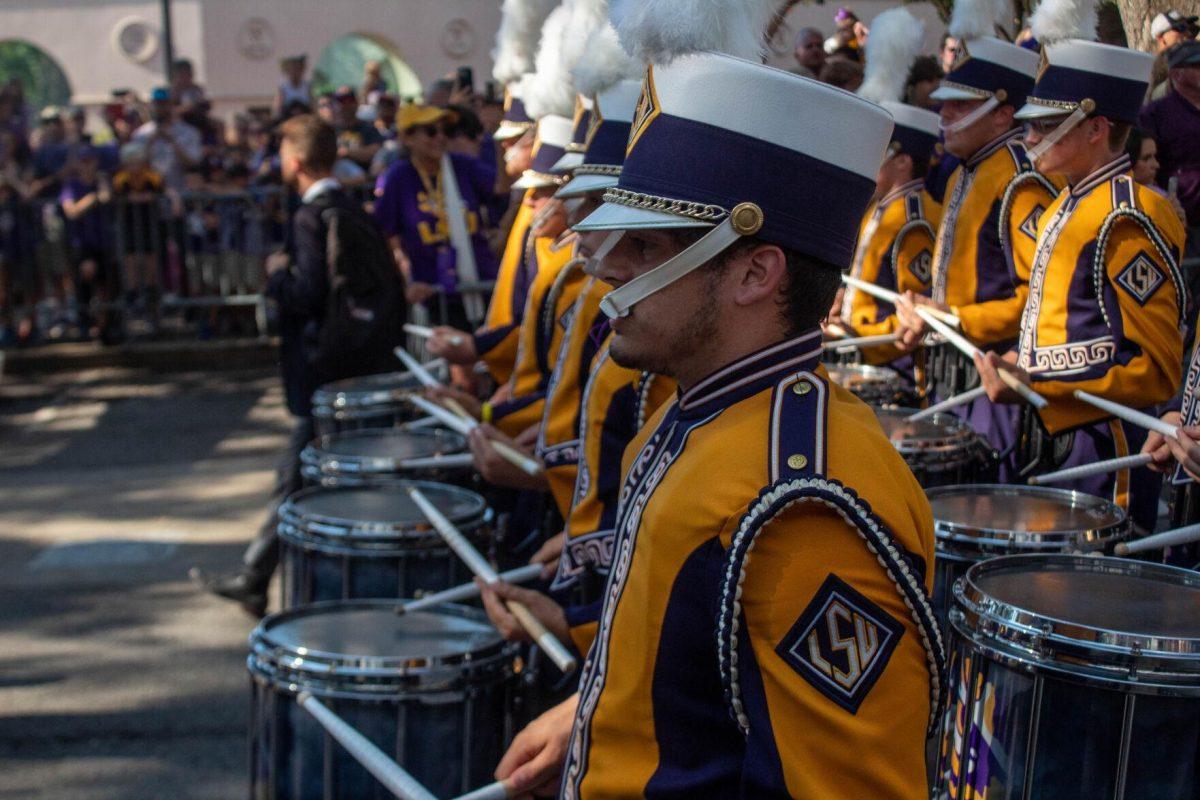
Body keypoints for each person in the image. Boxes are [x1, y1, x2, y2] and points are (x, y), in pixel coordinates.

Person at [494, 38, 942, 800]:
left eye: (646, 247)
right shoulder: (699, 415)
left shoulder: (802, 505)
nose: (607, 267)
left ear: (754, 272)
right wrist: (589, 717)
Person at [973, 24, 1186, 534]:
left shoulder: (1130, 216)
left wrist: (1039, 385)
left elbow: (1156, 371)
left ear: (1096, 128)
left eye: (1046, 125)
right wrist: (1021, 368)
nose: (1028, 137)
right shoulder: (1063, 206)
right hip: (1052, 432)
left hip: (1105, 447)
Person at [192, 114, 403, 614]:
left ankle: (264, 577)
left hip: (323, 370)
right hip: (357, 363)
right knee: (308, 474)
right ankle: (257, 573)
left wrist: (276, 277)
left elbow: (308, 292)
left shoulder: (312, 217)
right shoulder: (351, 210)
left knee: (297, 474)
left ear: (296, 160)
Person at [893, 13, 1054, 481]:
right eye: (944, 105)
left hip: (996, 377)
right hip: (955, 369)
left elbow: (1035, 303)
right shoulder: (965, 171)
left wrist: (952, 318)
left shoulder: (1021, 182)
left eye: (960, 106)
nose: (943, 116)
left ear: (1004, 112)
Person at [835, 8, 943, 386]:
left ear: (904, 163)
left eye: (881, 154)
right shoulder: (881, 208)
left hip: (894, 373)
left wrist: (858, 335)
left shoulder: (913, 218)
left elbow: (914, 314)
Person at [374, 103, 504, 324]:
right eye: (431, 131)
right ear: (407, 138)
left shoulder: (463, 165)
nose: (441, 137)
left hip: (480, 284)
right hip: (432, 293)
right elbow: (388, 235)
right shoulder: (399, 177)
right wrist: (408, 282)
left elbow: (501, 188)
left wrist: (501, 139)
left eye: (446, 131)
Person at [1140, 41, 1200, 258]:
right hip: (1184, 223)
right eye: (1196, 66)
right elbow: (1143, 165)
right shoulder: (1156, 114)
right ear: (1176, 73)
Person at [58, 147, 115, 340]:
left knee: (105, 286)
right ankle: (86, 324)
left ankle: (103, 327)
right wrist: (92, 198)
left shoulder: (101, 182)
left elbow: (106, 198)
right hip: (81, 243)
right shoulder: (71, 185)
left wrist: (101, 185)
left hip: (102, 242)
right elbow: (72, 210)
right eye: (83, 161)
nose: (87, 166)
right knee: (86, 280)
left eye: (90, 161)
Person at [133, 87, 202, 193]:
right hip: (151, 193)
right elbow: (135, 167)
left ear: (171, 105)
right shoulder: (141, 134)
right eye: (157, 104)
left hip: (182, 192)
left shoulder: (189, 132)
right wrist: (150, 143)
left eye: (164, 104)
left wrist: (172, 141)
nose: (160, 108)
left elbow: (193, 163)